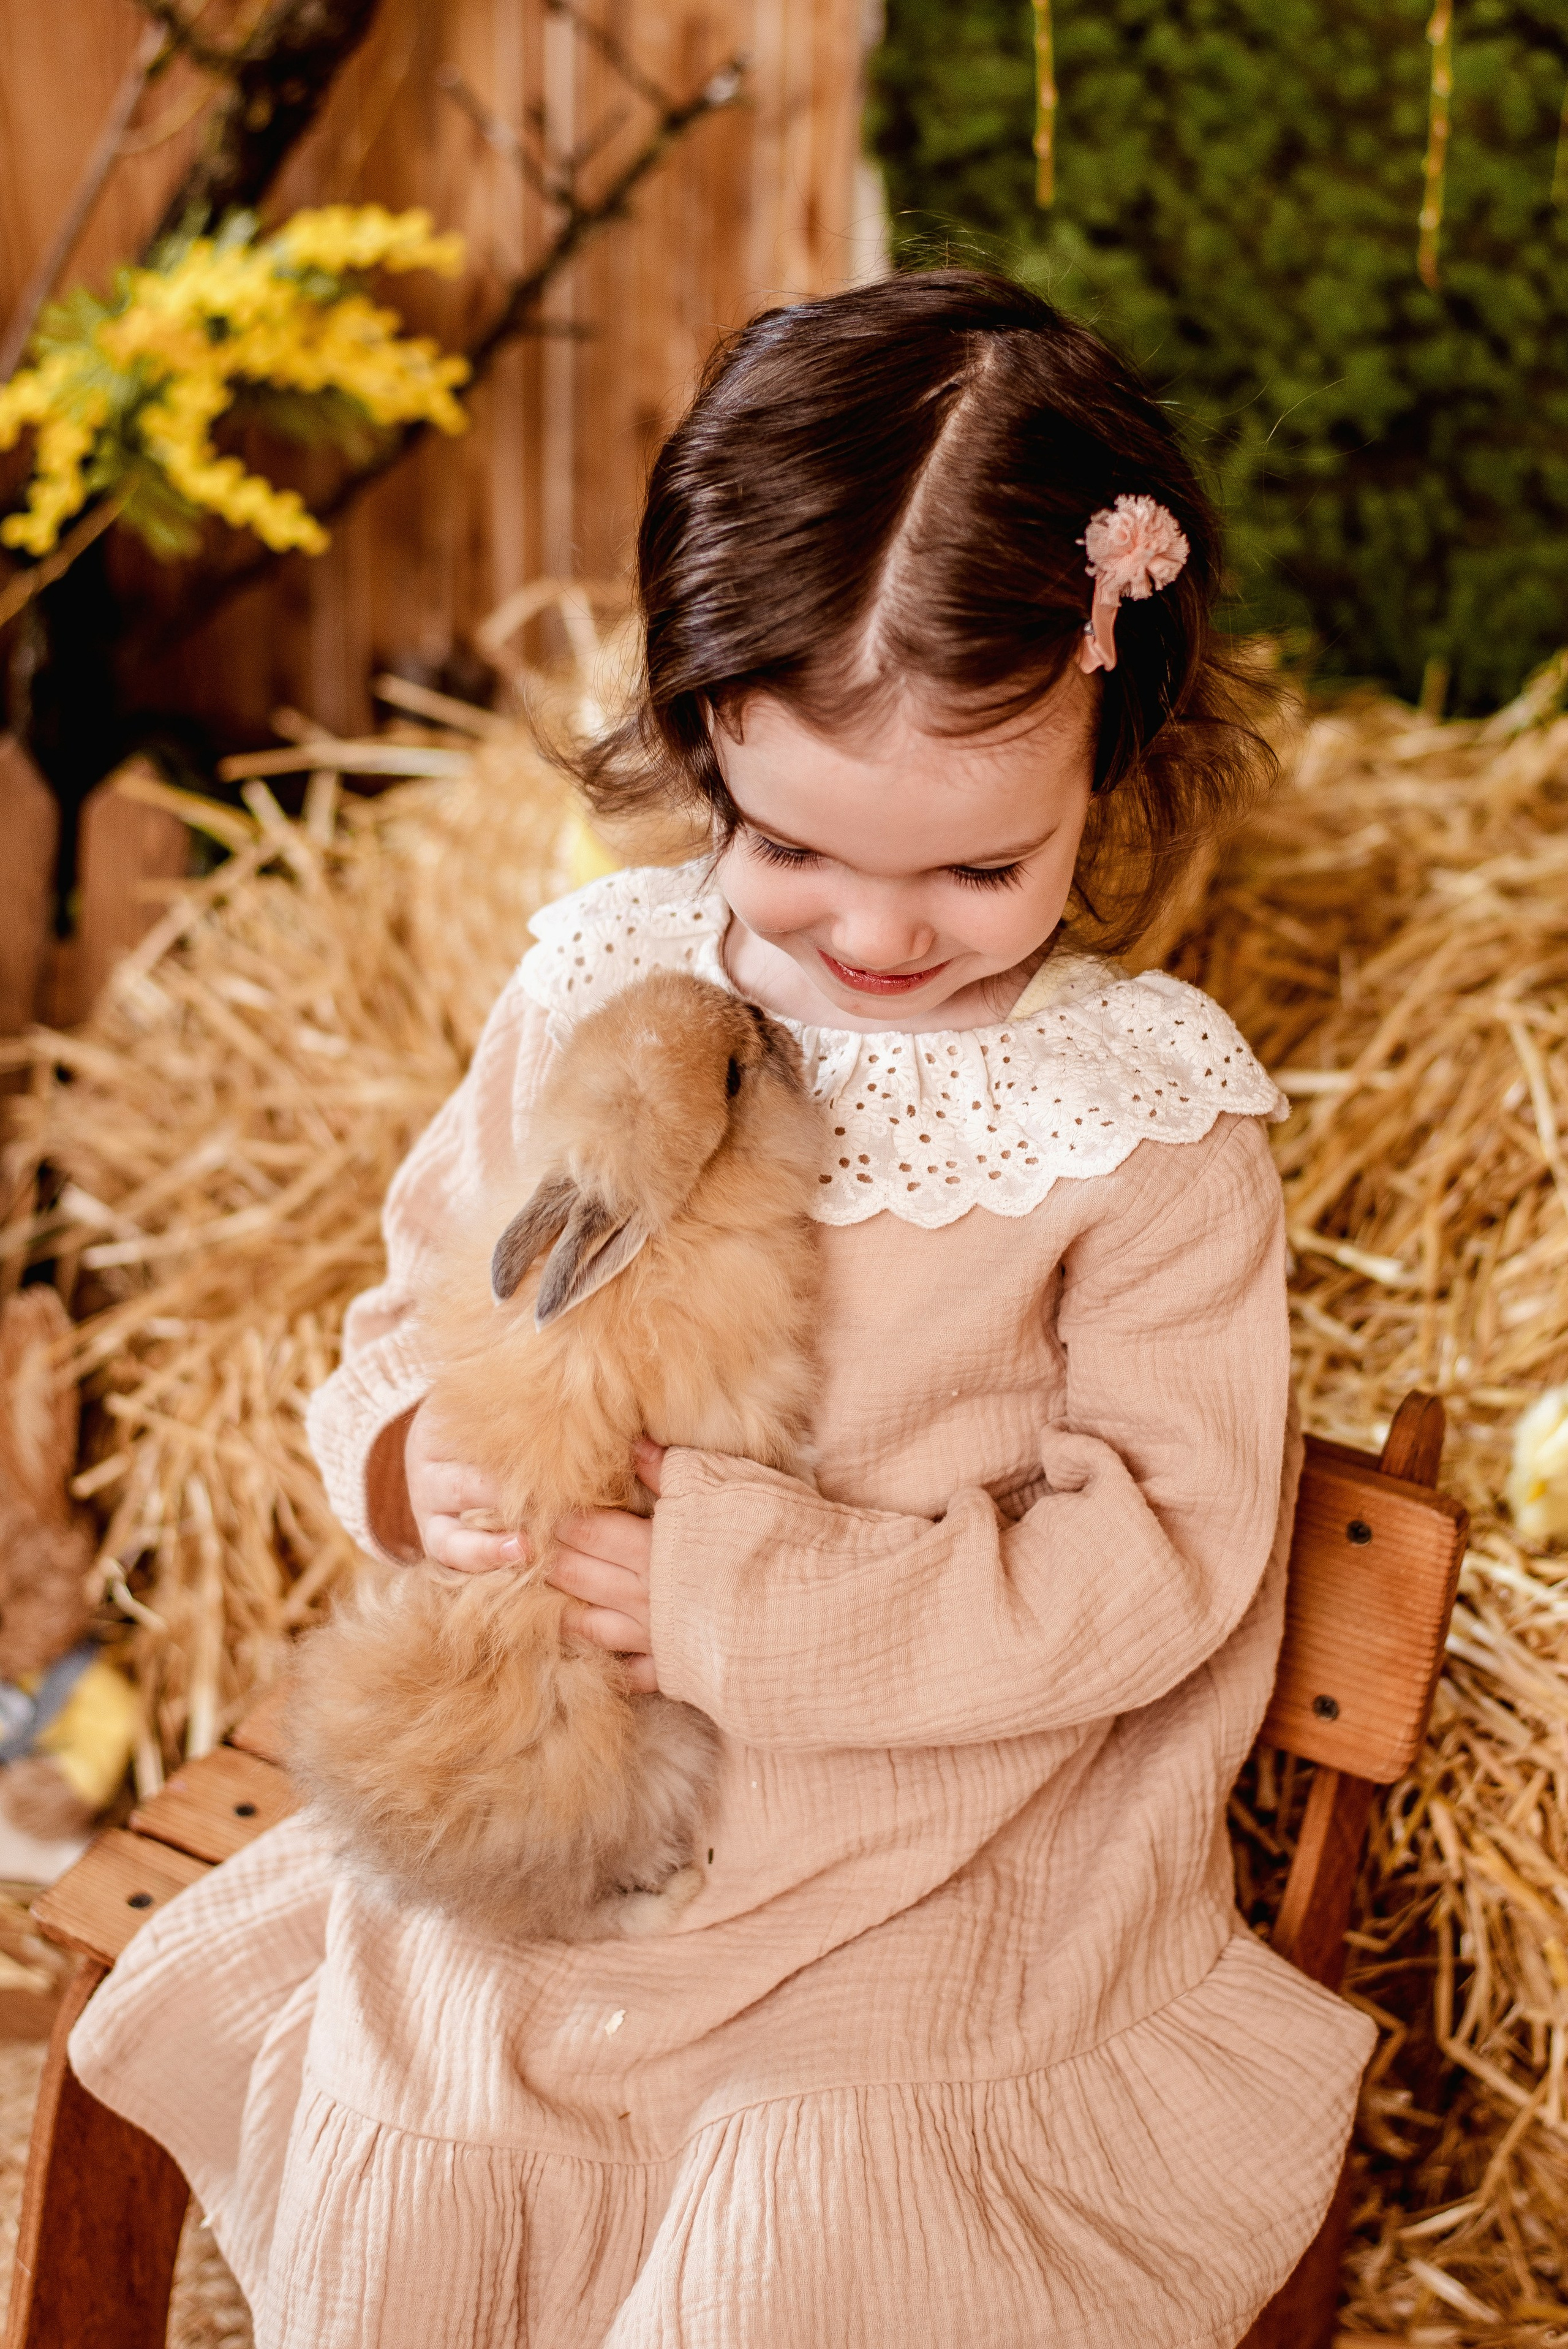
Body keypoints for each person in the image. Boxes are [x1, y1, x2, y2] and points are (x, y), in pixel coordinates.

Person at [72, 270, 1374, 2349]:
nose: (872, 933)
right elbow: (416, 1310)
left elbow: (1168, 1553)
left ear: (1108, 763)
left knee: (796, 2195)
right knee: (450, 2042)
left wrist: (729, 1598)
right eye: (792, 847)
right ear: (700, 740)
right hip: (587, 1818)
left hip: (935, 1870)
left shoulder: (1139, 1118)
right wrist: (432, 1464)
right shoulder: (599, 983)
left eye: (974, 873)